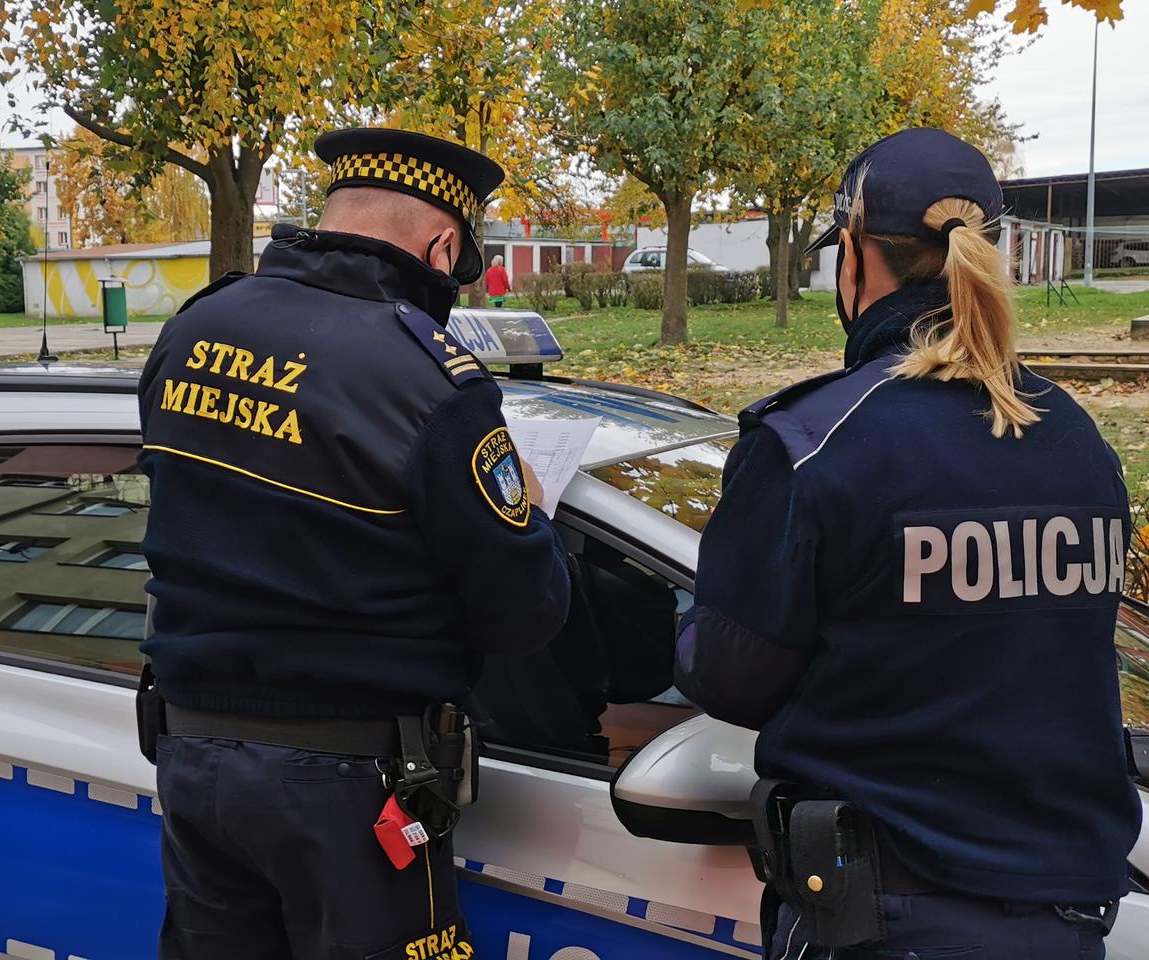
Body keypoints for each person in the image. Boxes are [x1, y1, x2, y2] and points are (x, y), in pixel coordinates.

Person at [675, 128, 1141, 960]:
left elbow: (730, 676)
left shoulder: (814, 441)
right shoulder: (1075, 437)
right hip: (1066, 921)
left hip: (884, 919)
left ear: (853, 256)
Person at [136, 127, 572, 960]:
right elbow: (526, 616)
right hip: (350, 787)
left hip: (192, 758)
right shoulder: (428, 377)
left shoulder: (194, 328)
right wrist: (535, 509)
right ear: (444, 244)